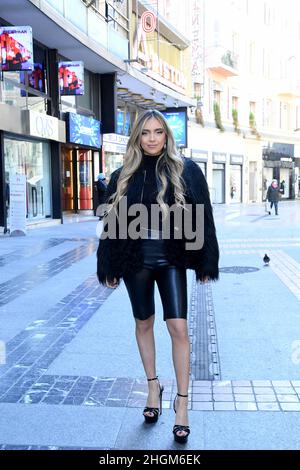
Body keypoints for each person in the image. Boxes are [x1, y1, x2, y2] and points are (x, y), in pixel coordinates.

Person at [96, 110, 219, 444]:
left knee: (178, 327)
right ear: (137, 137)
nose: (152, 138)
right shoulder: (123, 175)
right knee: (144, 323)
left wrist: (206, 261)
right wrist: (107, 264)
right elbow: (111, 224)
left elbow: (202, 215)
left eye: (158, 132)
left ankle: (182, 404)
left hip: (172, 258)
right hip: (136, 259)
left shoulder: (186, 170)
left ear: (167, 136)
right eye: (146, 133)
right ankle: (153, 388)